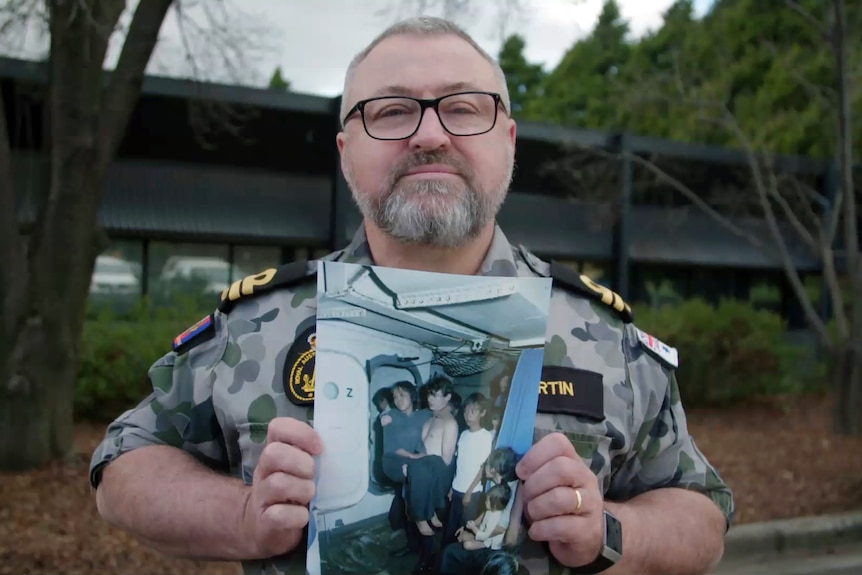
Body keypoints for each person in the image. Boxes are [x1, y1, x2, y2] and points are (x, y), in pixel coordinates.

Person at [89, 15, 734, 575]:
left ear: (507, 142)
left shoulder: (605, 339)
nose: (429, 135)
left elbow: (702, 513)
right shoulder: (256, 325)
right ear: (346, 153)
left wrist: (608, 533)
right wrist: (240, 514)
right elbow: (123, 465)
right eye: (392, 111)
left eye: (462, 107)